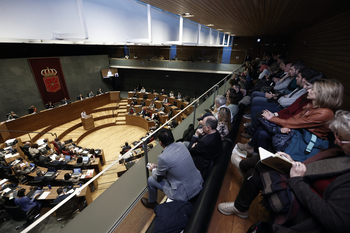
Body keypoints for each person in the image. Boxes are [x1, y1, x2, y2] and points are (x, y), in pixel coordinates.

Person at [220, 110, 350, 232]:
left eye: (341, 138)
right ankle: (240, 206)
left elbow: (332, 219)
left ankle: (241, 200)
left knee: (263, 164)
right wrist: (293, 163)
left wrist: (297, 181)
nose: (337, 142)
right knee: (269, 160)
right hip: (303, 183)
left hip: (306, 206)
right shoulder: (341, 153)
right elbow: (315, 168)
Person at [239, 79, 343, 157]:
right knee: (263, 128)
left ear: (322, 94)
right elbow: (294, 119)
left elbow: (298, 123)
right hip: (297, 133)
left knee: (263, 128)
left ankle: (256, 153)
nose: (308, 90)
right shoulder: (312, 105)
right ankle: (257, 154)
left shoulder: (325, 113)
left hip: (304, 141)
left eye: (312, 89)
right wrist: (283, 124)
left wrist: (272, 118)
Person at [141, 128, 203, 209]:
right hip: (198, 183)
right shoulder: (181, 144)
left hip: (185, 193)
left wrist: (152, 169)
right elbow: (175, 163)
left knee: (151, 180)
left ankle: (152, 203)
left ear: (160, 143)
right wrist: (159, 166)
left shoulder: (162, 157)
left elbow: (158, 177)